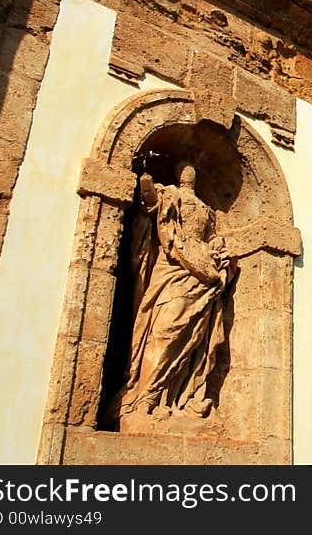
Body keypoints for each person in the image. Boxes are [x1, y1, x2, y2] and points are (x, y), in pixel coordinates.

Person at [108, 161, 234, 427]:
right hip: (173, 268)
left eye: (192, 169)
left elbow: (210, 238)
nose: (189, 172)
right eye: (184, 169)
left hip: (202, 275)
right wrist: (145, 183)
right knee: (165, 331)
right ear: (178, 174)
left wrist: (217, 248)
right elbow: (152, 206)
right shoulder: (170, 194)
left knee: (194, 338)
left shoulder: (206, 208)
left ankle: (177, 398)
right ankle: (145, 398)